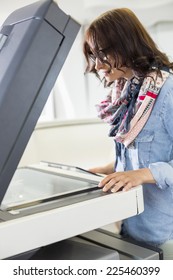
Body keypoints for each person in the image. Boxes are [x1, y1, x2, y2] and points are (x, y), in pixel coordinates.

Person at [83, 8, 173, 259]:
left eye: (103, 54)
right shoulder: (128, 94)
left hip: (162, 234)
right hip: (129, 224)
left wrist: (142, 175)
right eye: (93, 55)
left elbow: (144, 167)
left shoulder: (168, 92)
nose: (98, 65)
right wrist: (109, 168)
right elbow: (140, 155)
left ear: (126, 45)